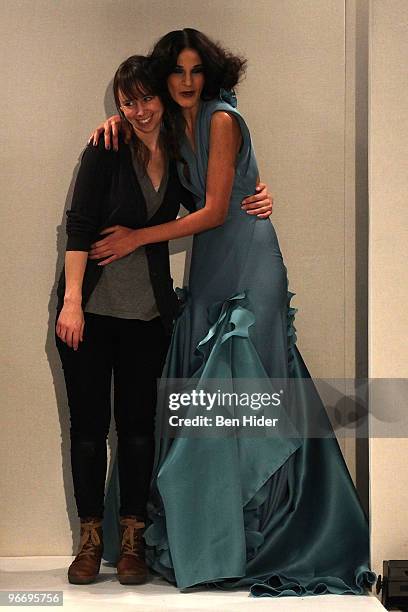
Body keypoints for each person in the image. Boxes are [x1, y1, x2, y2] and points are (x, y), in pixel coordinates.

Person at [90, 29, 376, 597]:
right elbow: (162, 162)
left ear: (211, 74)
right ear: (163, 78)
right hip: (210, 268)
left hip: (248, 262)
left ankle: (269, 537)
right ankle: (219, 538)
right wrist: (115, 125)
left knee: (248, 385)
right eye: (177, 73)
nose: (188, 82)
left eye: (197, 71)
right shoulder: (173, 125)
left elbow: (217, 210)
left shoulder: (221, 119)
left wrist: (135, 238)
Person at [55, 54, 273, 586]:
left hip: (150, 314)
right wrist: (71, 301)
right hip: (90, 312)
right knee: (86, 430)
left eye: (146, 98)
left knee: (136, 432)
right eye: (127, 102)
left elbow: (210, 202)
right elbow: (79, 227)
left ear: (161, 97)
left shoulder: (179, 153)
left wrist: (259, 194)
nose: (138, 110)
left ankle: (132, 541)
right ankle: (89, 542)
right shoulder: (106, 147)